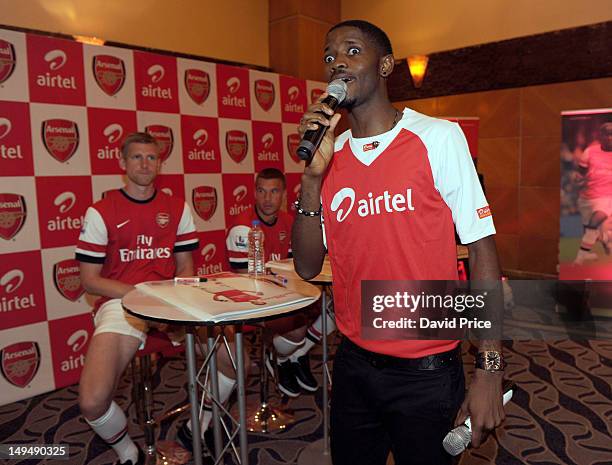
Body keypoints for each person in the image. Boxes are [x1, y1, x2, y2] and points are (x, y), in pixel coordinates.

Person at [292, 20, 506, 465]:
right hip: (353, 366)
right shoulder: (331, 157)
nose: (338, 63)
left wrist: (489, 369)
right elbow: (308, 267)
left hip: (427, 372)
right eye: (329, 57)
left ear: (386, 64)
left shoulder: (438, 138)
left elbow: (482, 245)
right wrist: (312, 180)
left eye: (352, 51)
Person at [76, 132, 200, 465]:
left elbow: (185, 267)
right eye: (136, 157)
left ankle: (195, 427)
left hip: (170, 301)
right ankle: (128, 451)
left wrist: (181, 305)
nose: (144, 164)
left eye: (151, 157)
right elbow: (90, 281)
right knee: (91, 401)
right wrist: (140, 297)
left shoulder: (177, 207)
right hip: (121, 303)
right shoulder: (101, 210)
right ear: (121, 162)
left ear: (160, 163)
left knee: (235, 364)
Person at [226, 168, 335, 397]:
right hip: (250, 300)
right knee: (296, 329)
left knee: (339, 308)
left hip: (282, 293)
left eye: (274, 191)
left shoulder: (289, 221)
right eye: (262, 191)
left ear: (284, 194)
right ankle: (279, 356)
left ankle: (296, 355)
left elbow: (296, 266)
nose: (267, 199)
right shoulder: (243, 226)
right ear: (254, 193)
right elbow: (246, 278)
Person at [573, 122, 612, 264]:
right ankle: (606, 240)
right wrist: (578, 179)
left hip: (607, 197)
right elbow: (581, 172)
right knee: (591, 230)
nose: (609, 137)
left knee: (594, 223)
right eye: (606, 134)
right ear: (600, 136)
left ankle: (579, 259)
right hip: (587, 197)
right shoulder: (590, 151)